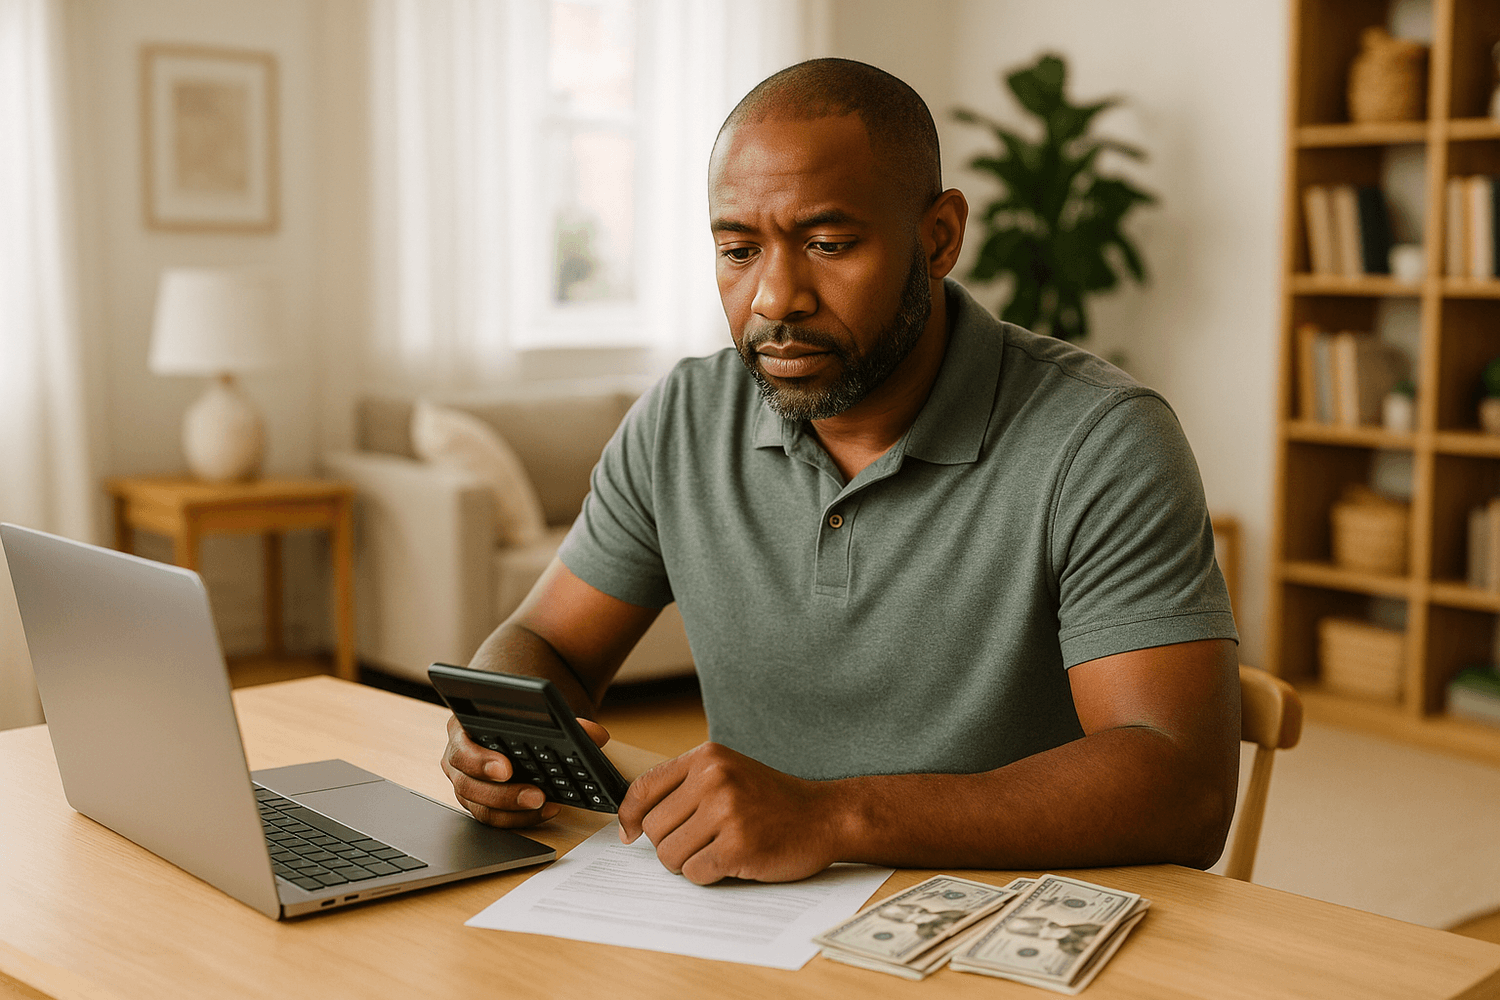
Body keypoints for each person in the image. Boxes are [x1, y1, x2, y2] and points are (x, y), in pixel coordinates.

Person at [441, 57, 1240, 886]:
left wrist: (832, 814)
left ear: (938, 239)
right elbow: (545, 642)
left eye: (826, 244)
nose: (774, 297)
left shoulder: (1101, 440)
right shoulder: (683, 420)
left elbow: (1185, 789)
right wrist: (498, 727)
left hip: (1005, 922)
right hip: (753, 915)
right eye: (739, 249)